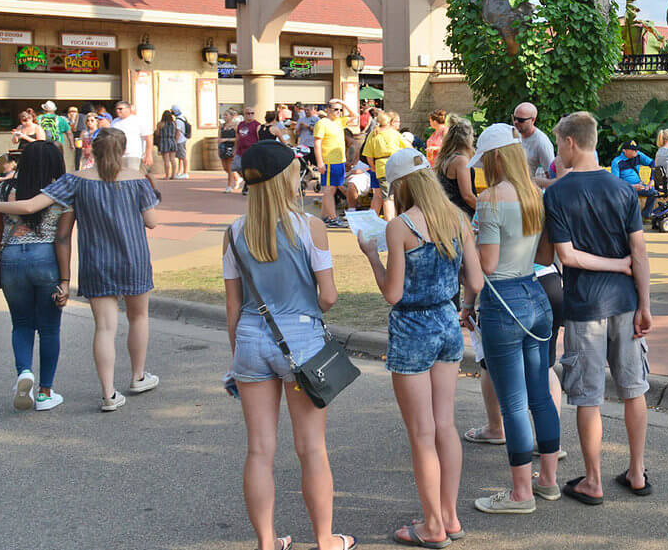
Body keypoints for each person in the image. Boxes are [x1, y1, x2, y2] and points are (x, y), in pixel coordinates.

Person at [219, 140, 349, 550]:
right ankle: (325, 539)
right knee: (311, 448)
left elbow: (233, 308)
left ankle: (266, 541)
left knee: (259, 450)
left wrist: (238, 354)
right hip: (301, 342)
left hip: (251, 340)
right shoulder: (308, 227)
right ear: (286, 178)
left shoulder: (234, 233)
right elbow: (327, 297)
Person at [0, 128, 161, 411]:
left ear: (91, 150)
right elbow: (151, 222)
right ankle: (138, 376)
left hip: (96, 261)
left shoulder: (75, 180)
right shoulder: (138, 180)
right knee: (139, 318)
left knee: (104, 327)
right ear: (123, 151)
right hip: (134, 259)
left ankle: (108, 394)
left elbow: (29, 206)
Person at [354, 146, 480, 545]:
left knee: (422, 433)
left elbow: (392, 294)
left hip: (412, 329)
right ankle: (450, 517)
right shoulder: (457, 218)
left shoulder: (400, 227)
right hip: (446, 323)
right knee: (445, 424)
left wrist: (372, 257)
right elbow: (474, 281)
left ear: (401, 186)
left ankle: (431, 526)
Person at [543, 112, 653, 505]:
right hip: (624, 302)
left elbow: (567, 257)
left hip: (584, 306)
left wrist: (615, 266)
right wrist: (645, 303)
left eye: (559, 143)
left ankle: (593, 481)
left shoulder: (556, 193)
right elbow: (638, 252)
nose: (557, 151)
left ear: (571, 142)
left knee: (588, 396)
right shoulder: (623, 189)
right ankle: (637, 471)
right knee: (633, 388)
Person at [461, 129, 564, 513]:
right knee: (539, 394)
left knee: (514, 403)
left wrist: (466, 247)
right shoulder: (536, 194)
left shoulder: (489, 200)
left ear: (495, 158)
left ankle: (521, 493)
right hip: (535, 293)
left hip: (503, 300)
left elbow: (485, 267)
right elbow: (545, 252)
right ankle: (547, 481)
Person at [0, 140, 73, 412]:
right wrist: (65, 280)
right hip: (46, 258)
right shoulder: (62, 191)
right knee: (49, 328)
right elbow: (62, 238)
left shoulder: (4, 189)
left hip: (12, 257)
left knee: (21, 323)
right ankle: (45, 392)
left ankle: (24, 373)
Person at [361, 111, 409, 220]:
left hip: (380, 167)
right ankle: (390, 220)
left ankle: (379, 220)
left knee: (383, 195)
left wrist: (373, 167)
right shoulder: (393, 133)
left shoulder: (374, 134)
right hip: (395, 165)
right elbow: (407, 146)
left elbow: (368, 155)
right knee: (390, 196)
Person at [313, 100, 349, 229]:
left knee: (332, 190)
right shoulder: (322, 123)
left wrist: (341, 102)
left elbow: (354, 115)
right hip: (328, 161)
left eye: (340, 110)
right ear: (328, 109)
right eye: (335, 109)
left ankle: (325, 217)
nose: (338, 112)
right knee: (328, 190)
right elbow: (317, 143)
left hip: (339, 161)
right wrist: (320, 162)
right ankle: (333, 218)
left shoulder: (339, 121)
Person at [436, 119, 478, 218]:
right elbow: (467, 196)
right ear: (467, 138)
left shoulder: (447, 158)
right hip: (462, 215)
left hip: (449, 213)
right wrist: (486, 211)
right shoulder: (461, 161)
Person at [512, 102, 557, 186]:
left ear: (533, 120)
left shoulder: (542, 142)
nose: (516, 122)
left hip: (529, 190)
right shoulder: (513, 133)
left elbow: (550, 175)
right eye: (514, 118)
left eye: (521, 120)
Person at [609, 140, 656, 214]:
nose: (636, 151)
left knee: (653, 192)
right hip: (625, 189)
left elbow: (653, 164)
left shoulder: (638, 155)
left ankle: (646, 214)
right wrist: (632, 187)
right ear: (624, 150)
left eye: (636, 149)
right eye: (633, 150)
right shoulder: (616, 162)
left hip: (639, 186)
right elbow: (615, 183)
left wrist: (651, 180)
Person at [110, 100, 154, 176]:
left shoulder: (138, 120)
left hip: (133, 155)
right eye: (117, 109)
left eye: (120, 109)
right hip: (118, 155)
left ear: (128, 109)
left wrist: (148, 154)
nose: (118, 111)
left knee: (132, 177)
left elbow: (148, 137)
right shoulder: (114, 122)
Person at [154, 110, 183, 180]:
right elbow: (178, 133)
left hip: (164, 140)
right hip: (172, 140)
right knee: (172, 159)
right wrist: (175, 141)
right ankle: (173, 175)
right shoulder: (174, 123)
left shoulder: (160, 124)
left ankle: (167, 175)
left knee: (166, 160)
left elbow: (157, 133)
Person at [220, 110, 244, 193]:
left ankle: (229, 186)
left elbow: (238, 138)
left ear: (231, 116)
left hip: (231, 146)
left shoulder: (235, 126)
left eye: (226, 115)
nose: (224, 117)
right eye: (224, 115)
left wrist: (227, 140)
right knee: (225, 167)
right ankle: (239, 177)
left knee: (230, 168)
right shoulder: (222, 126)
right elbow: (219, 137)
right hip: (223, 147)